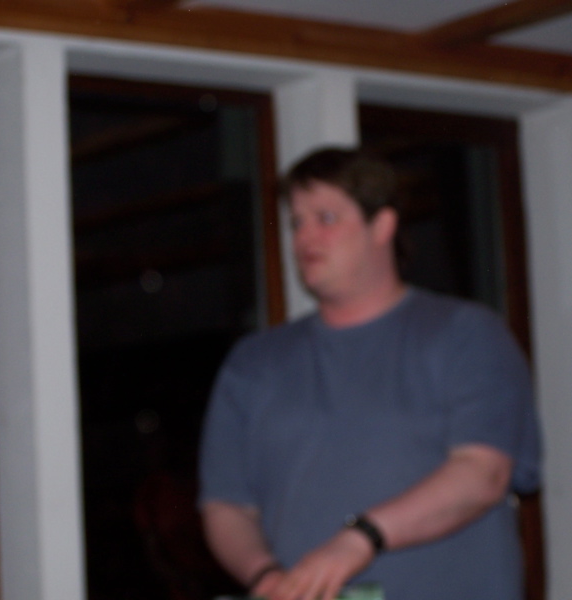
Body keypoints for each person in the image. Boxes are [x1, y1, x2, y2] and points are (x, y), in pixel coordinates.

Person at [198, 147, 541, 600]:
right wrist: (264, 575)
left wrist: (361, 538)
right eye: (297, 223)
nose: (305, 238)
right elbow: (226, 505)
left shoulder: (466, 334)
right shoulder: (254, 363)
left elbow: (483, 474)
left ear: (382, 226)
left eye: (326, 218)